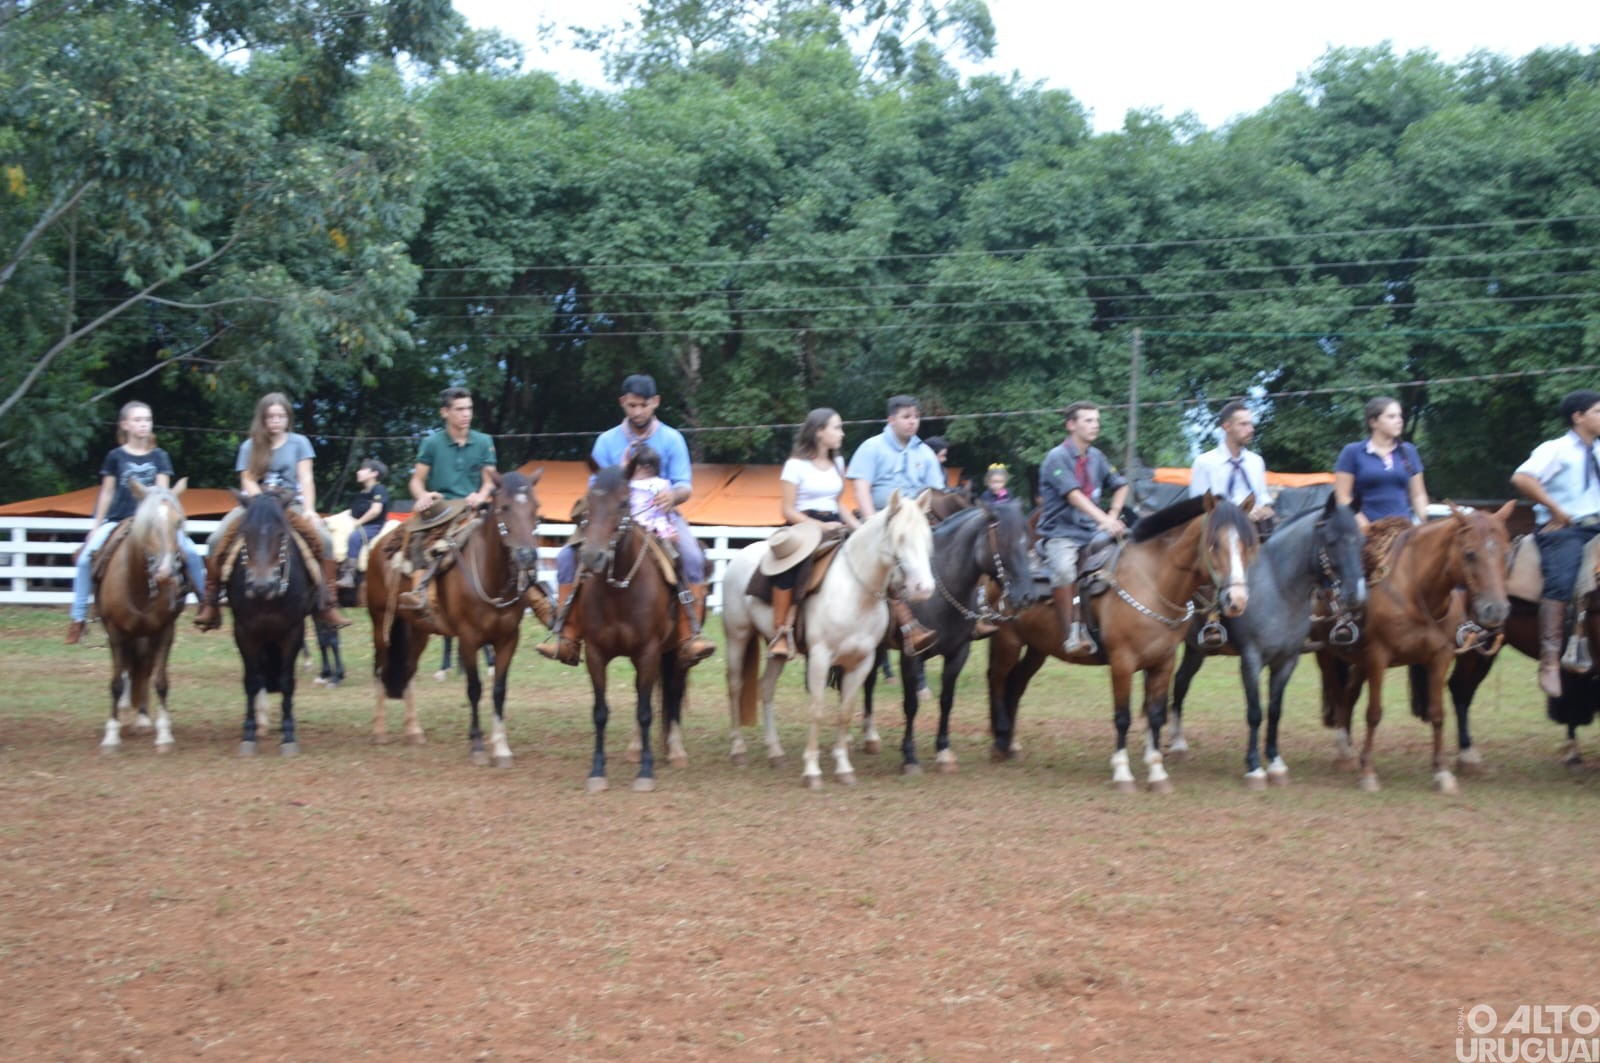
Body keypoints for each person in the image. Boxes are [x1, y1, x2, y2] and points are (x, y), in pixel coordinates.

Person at [538, 374, 716, 667]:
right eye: (632, 405)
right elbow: (595, 486)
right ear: (623, 403)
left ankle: (689, 637)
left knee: (692, 556)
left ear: (655, 402)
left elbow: (685, 484)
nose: (637, 412)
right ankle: (566, 637)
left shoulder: (671, 439)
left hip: (660, 514)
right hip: (610, 517)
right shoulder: (607, 441)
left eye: (643, 405)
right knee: (568, 556)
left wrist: (672, 495)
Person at [193, 393, 350, 630]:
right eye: (271, 416)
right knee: (216, 540)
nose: (276, 421)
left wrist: (308, 510)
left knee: (325, 540)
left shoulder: (299, 443)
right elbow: (247, 479)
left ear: (288, 418)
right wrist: (261, 506)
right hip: (255, 505)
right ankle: (211, 601)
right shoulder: (250, 445)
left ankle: (328, 604)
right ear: (262, 419)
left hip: (289, 504)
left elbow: (306, 478)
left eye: (281, 416)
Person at [66, 401, 206, 644]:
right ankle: (78, 619)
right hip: (119, 518)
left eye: (147, 420)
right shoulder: (115, 457)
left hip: (154, 523)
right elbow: (107, 492)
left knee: (191, 553)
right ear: (125, 424)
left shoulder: (159, 456)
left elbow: (163, 493)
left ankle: (206, 604)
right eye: (138, 420)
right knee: (86, 558)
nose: (144, 424)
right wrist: (96, 526)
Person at [1511, 389, 1600, 697]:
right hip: (1565, 530)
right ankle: (1550, 660)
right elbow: (1523, 478)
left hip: (1598, 527)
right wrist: (1555, 509)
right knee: (1562, 578)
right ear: (1579, 417)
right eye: (1598, 412)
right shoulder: (1556, 449)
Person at [846, 394, 946, 654]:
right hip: (880, 520)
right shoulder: (872, 447)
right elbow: (861, 487)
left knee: (955, 552)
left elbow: (934, 493)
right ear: (891, 420)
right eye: (906, 417)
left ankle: (966, 614)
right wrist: (871, 523)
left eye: (916, 417)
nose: (912, 422)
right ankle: (900, 627)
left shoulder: (924, 452)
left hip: (915, 524)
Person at [763, 408, 859, 659]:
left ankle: (903, 625)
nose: (842, 433)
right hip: (804, 526)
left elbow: (837, 503)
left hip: (835, 523)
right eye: (836, 427)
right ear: (819, 432)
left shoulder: (838, 464)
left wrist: (860, 529)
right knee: (792, 567)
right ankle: (782, 631)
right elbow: (787, 509)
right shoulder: (795, 466)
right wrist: (820, 526)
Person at [1037, 401, 1129, 655]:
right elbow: (1074, 496)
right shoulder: (1057, 457)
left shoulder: (1097, 457)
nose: (1095, 425)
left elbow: (1121, 485)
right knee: (1065, 572)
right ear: (1071, 425)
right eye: (1088, 420)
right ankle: (1070, 633)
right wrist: (1105, 520)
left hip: (1092, 531)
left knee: (1129, 555)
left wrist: (1113, 513)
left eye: (1097, 420)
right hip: (1061, 533)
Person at [399, 387, 498, 611]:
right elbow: (416, 481)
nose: (466, 414)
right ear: (445, 412)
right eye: (460, 409)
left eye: (469, 409)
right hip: (442, 508)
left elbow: (490, 480)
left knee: (510, 538)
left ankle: (537, 600)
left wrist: (481, 494)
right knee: (418, 541)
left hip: (475, 506)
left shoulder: (484, 441)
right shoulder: (432, 443)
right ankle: (421, 593)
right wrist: (423, 495)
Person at [1333, 396, 1430, 530]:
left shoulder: (1409, 451)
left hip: (1403, 532)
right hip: (1364, 531)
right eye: (1391, 417)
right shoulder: (1352, 452)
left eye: (1399, 416)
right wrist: (1366, 528)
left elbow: (1418, 494)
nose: (1399, 421)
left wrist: (1426, 523)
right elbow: (1343, 497)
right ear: (1374, 422)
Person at [1189, 400, 1275, 529]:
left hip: (1255, 532)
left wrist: (1263, 511)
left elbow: (1265, 504)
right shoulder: (1204, 462)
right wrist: (1242, 514)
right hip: (1220, 533)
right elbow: (1199, 509)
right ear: (1227, 427)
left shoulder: (1256, 462)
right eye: (1243, 424)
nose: (1251, 429)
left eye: (1251, 424)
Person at [336, 458, 391, 587]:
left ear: (374, 473)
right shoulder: (362, 493)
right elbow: (351, 512)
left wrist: (358, 523)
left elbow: (376, 510)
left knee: (354, 537)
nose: (358, 472)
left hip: (373, 526)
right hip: (359, 523)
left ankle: (349, 576)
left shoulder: (379, 489)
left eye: (362, 469)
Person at [625, 445, 678, 541]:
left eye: (635, 467)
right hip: (631, 524)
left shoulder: (660, 484)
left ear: (646, 467)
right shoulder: (628, 484)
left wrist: (672, 522)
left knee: (669, 543)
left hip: (654, 524)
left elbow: (668, 508)